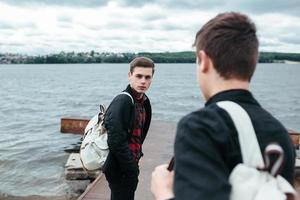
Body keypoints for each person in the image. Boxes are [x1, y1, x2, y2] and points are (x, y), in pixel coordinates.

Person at [151, 12, 295, 200]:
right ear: (252, 63)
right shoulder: (279, 134)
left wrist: (163, 191)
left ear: (203, 61)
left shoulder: (200, 126)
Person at [103, 56, 154, 200]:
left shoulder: (144, 101)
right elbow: (115, 140)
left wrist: (136, 159)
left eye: (147, 77)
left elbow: (138, 135)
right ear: (130, 76)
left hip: (130, 165)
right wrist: (131, 168)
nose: (143, 81)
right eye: (139, 76)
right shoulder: (123, 101)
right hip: (120, 167)